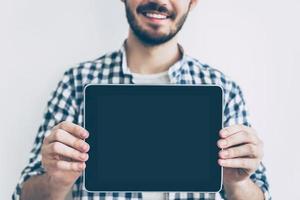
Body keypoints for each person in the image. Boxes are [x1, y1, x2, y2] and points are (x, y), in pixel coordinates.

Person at [13, 0, 271, 199]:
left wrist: (237, 183)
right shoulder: (75, 82)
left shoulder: (224, 90)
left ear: (193, 1)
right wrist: (56, 180)